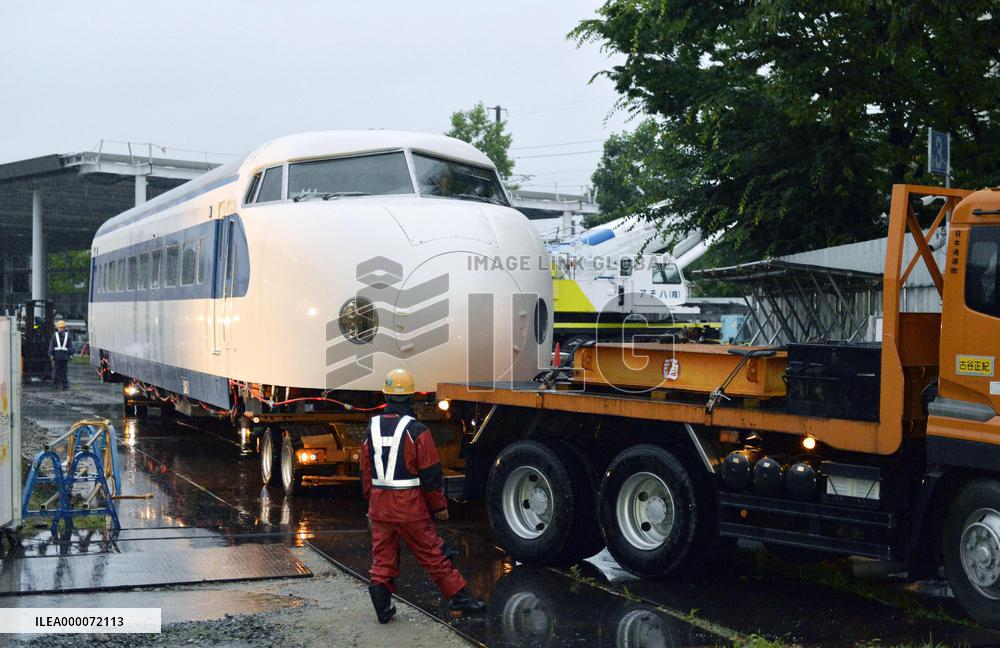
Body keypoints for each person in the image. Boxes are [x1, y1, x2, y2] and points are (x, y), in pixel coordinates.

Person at [360, 368, 486, 623]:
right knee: (433, 554)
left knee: (383, 555)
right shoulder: (417, 430)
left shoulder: (371, 427)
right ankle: (462, 599)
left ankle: (382, 605)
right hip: (408, 507)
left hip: (380, 506)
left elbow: (365, 470)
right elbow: (430, 473)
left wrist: (371, 499)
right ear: (412, 396)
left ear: (386, 395)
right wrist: (439, 506)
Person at [48, 320, 73, 389]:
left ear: (64, 328)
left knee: (63, 371)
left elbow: (70, 346)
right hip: (57, 356)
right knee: (56, 371)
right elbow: (51, 345)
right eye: (60, 327)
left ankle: (64, 384)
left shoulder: (68, 336)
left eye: (62, 327)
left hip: (64, 356)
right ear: (57, 328)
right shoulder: (54, 336)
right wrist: (51, 355)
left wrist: (71, 354)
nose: (61, 329)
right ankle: (55, 384)